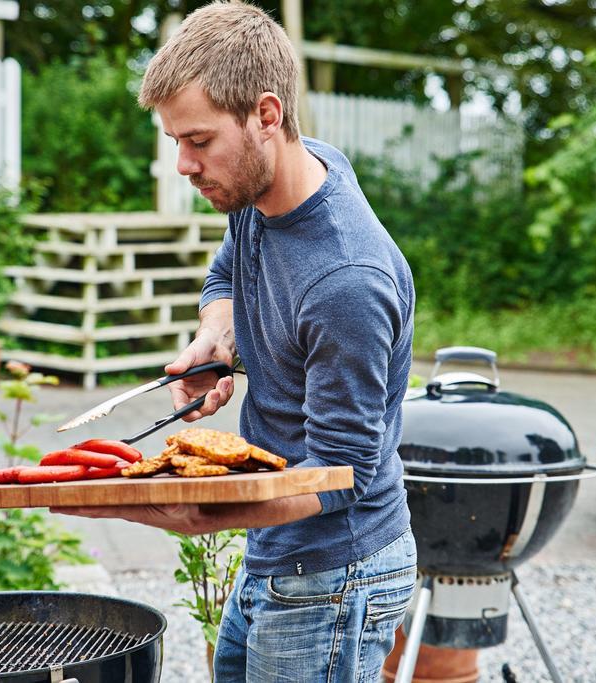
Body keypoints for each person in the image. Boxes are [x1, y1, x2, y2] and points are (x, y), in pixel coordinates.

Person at [53, 2, 417, 680]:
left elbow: (344, 474)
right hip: (275, 550)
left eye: (198, 140)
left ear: (267, 115)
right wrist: (214, 337)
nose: (186, 165)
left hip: (334, 573)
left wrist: (209, 511)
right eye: (176, 144)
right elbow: (227, 270)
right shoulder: (270, 181)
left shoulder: (347, 281)